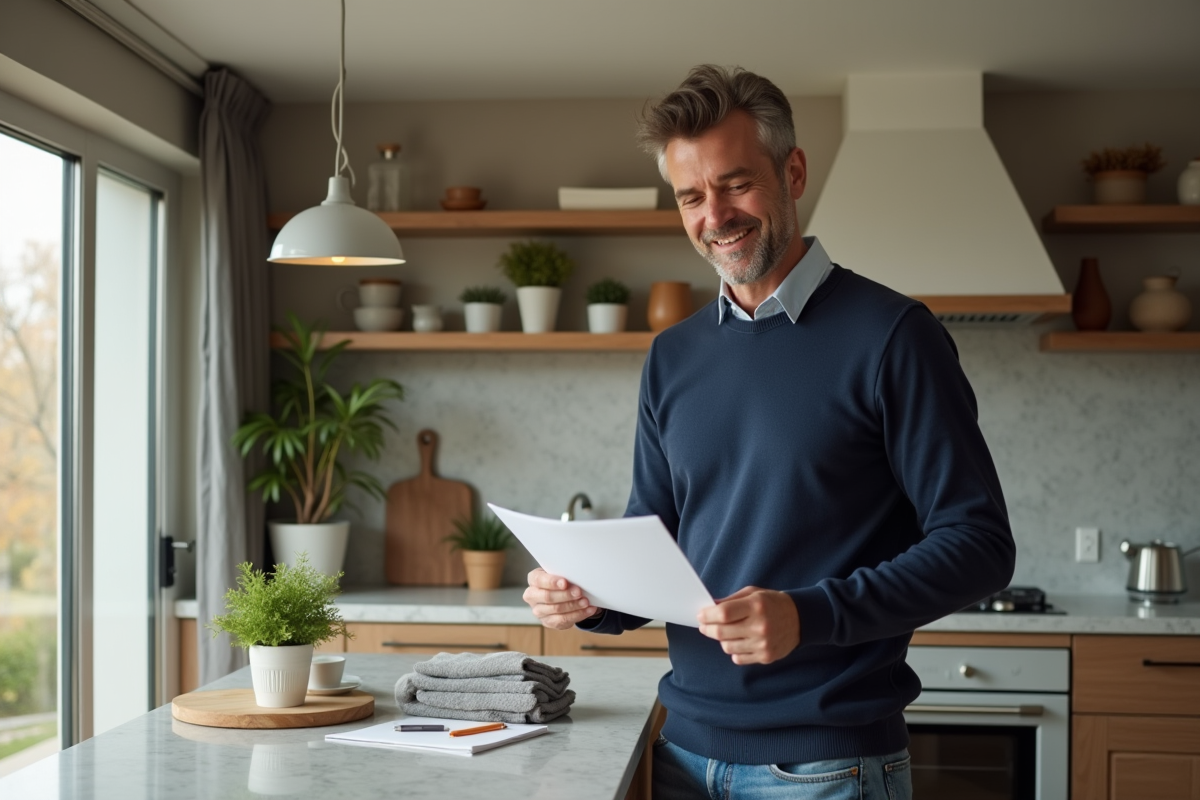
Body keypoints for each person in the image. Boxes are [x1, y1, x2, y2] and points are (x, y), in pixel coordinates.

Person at [522, 64, 1015, 800]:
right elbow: (657, 549)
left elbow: (980, 546)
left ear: (793, 171)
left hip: (827, 766)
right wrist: (591, 598)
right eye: (691, 196)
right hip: (682, 753)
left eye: (735, 184)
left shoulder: (893, 337)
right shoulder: (673, 356)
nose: (713, 215)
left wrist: (809, 614)